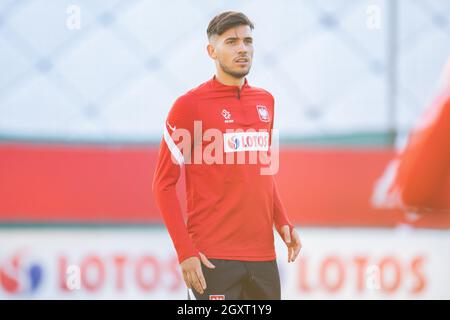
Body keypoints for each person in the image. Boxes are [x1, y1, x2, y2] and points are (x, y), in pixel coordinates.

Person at [152, 11, 301, 300]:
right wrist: (185, 252)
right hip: (212, 258)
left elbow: (263, 171)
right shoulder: (188, 106)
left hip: (263, 257)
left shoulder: (266, 102)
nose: (242, 49)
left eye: (247, 41)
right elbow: (162, 184)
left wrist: (283, 221)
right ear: (212, 51)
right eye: (231, 42)